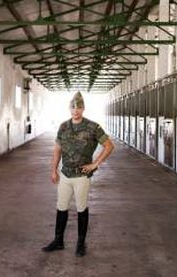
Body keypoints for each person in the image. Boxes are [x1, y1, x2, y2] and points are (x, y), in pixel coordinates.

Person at [42, 91, 114, 257]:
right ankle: (58, 241)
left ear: (83, 108)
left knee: (81, 208)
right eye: (73, 107)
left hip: (82, 175)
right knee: (61, 207)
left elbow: (109, 146)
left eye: (79, 107)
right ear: (69, 108)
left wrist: (95, 164)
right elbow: (57, 150)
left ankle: (81, 243)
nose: (76, 110)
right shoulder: (64, 126)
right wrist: (53, 170)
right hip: (65, 175)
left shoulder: (92, 127)